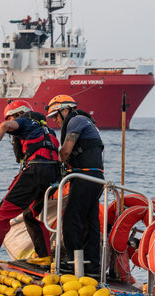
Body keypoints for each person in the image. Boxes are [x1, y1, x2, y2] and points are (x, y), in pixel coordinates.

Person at [0, 100, 60, 267]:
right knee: (31, 215)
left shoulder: (23, 119)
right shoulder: (48, 129)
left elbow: (4, 126)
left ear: (16, 114)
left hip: (35, 172)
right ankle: (44, 257)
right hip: (53, 177)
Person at [46, 94, 105, 276]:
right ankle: (92, 267)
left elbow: (66, 152)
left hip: (85, 177)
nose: (55, 121)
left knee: (72, 219)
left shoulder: (75, 121)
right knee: (91, 222)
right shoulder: (88, 124)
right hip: (97, 179)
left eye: (56, 115)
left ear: (65, 110)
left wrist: (54, 165)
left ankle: (72, 262)